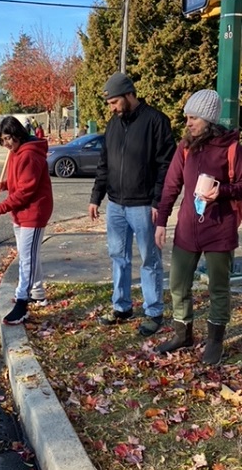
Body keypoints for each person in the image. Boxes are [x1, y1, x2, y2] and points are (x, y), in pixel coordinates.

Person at [155, 89, 242, 365]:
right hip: (187, 228)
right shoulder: (185, 147)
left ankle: (215, 340)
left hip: (220, 228)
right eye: (187, 118)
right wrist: (161, 222)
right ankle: (183, 333)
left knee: (218, 287)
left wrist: (222, 191)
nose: (188, 123)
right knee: (178, 283)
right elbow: (171, 185)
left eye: (193, 118)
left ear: (208, 119)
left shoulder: (230, 147)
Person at [89, 72, 176, 335]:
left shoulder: (156, 121)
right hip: (116, 205)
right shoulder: (113, 125)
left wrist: (157, 202)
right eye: (109, 104)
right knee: (118, 257)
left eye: (115, 102)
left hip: (143, 206)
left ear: (129, 94)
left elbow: (166, 166)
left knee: (149, 259)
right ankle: (122, 307)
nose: (112, 108)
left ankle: (154, 311)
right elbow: (104, 163)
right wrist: (96, 197)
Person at [0, 116, 53, 324]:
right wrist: (6, 184)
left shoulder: (30, 155)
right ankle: (38, 293)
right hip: (21, 212)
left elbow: (26, 191)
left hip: (34, 211)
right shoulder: (16, 153)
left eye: (8, 138)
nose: (6, 143)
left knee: (27, 258)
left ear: (17, 135)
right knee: (30, 254)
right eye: (2, 139)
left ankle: (22, 304)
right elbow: (20, 181)